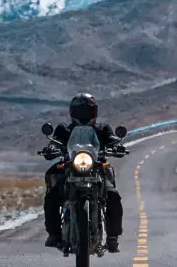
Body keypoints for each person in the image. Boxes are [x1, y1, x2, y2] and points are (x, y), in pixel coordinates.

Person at [43, 93, 124, 254]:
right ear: (73, 112)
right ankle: (54, 234)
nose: (84, 114)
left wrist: (117, 146)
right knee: (52, 196)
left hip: (96, 168)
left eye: (87, 110)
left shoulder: (102, 129)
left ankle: (112, 237)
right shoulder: (64, 129)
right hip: (70, 167)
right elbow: (54, 141)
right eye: (80, 111)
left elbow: (111, 138)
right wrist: (50, 148)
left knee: (113, 195)